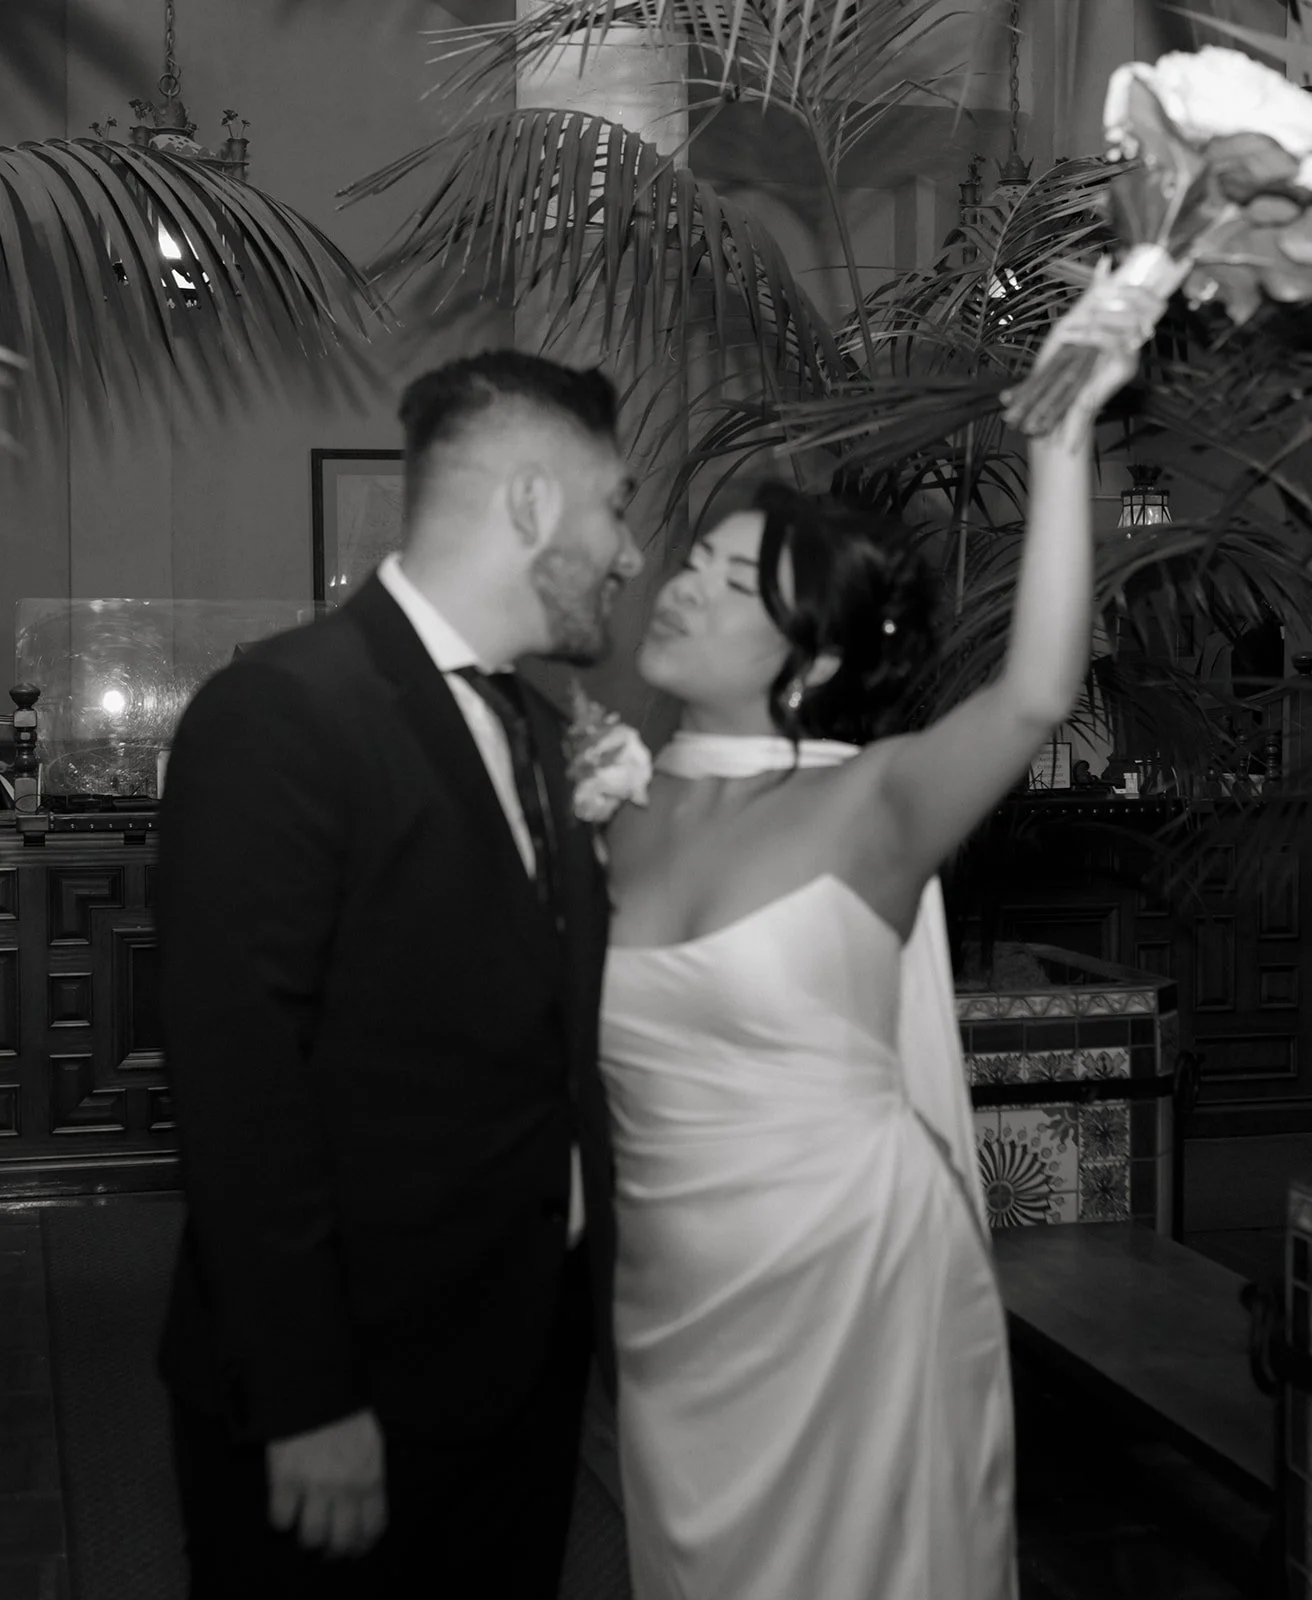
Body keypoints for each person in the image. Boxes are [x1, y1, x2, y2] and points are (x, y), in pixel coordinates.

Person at [598, 276, 1159, 1598]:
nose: (681, 587)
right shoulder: (613, 802)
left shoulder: (874, 802)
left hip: (853, 1282)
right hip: (675, 1311)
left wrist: (1061, 442)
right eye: (690, 561)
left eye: (731, 583)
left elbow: (1034, 693)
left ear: (805, 663)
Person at [155, 350, 643, 1598]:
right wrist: (308, 1399)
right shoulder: (282, 711)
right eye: (616, 508)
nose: (630, 554)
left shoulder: (538, 731)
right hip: (351, 1388)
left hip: (519, 1371)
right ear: (531, 504)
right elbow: (239, 1084)